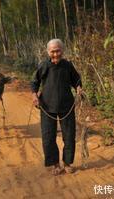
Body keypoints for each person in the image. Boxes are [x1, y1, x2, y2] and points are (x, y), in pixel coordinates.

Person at [31, 39, 82, 175]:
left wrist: (78, 88)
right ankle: (55, 164)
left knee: (69, 135)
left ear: (62, 51)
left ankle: (67, 163)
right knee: (48, 136)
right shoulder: (44, 66)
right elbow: (34, 82)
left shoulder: (68, 65)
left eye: (58, 51)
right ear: (48, 52)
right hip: (47, 107)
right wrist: (34, 96)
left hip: (67, 106)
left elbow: (76, 79)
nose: (55, 54)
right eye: (53, 51)